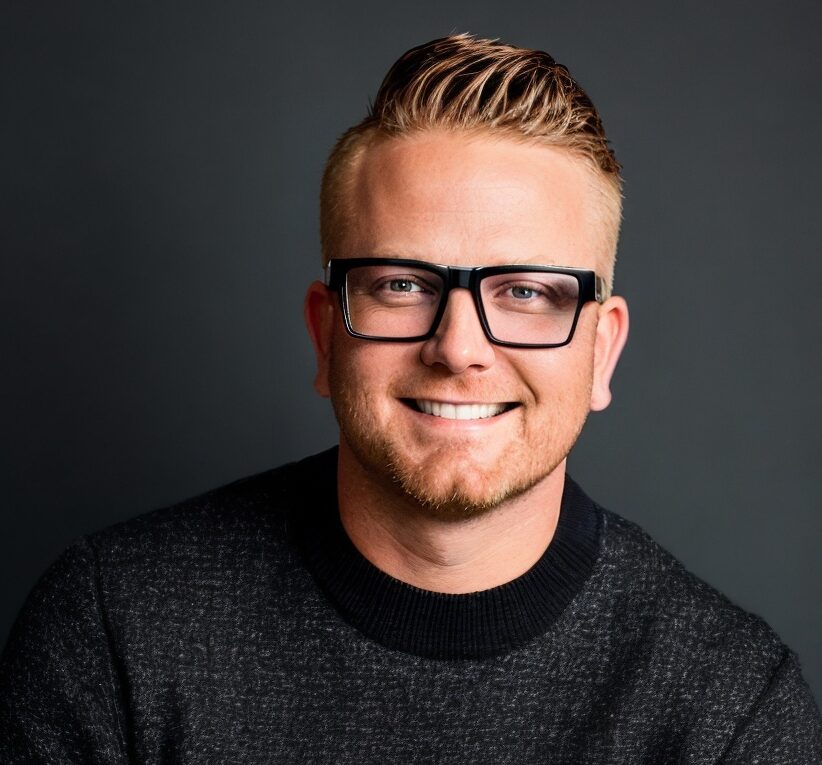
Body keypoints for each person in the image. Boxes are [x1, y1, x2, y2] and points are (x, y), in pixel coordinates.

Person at [1, 33, 820, 763]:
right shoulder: (114, 630)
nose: (460, 347)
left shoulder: (729, 709)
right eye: (400, 283)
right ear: (327, 334)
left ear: (602, 347)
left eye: (528, 292)